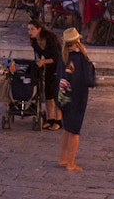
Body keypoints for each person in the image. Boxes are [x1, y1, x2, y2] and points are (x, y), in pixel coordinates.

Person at [58, 29, 98, 171]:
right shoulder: (80, 58)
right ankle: (71, 163)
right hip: (77, 96)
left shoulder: (63, 56)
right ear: (77, 42)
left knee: (67, 129)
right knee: (74, 130)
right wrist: (87, 56)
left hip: (64, 96)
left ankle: (63, 158)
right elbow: (89, 79)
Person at [27, 21, 63, 129]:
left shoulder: (50, 38)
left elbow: (57, 57)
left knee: (57, 94)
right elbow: (38, 56)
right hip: (48, 66)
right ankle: (50, 119)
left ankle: (58, 121)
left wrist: (43, 62)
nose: (30, 32)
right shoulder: (34, 41)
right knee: (48, 93)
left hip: (58, 66)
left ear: (39, 29)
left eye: (32, 29)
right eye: (28, 29)